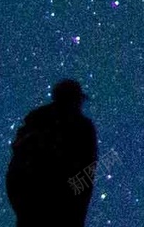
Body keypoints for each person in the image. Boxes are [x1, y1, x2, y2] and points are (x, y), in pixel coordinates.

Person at [6, 79, 98, 227]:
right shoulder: (83, 128)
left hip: (31, 209)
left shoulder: (35, 124)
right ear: (76, 99)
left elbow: (15, 173)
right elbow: (87, 174)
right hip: (59, 211)